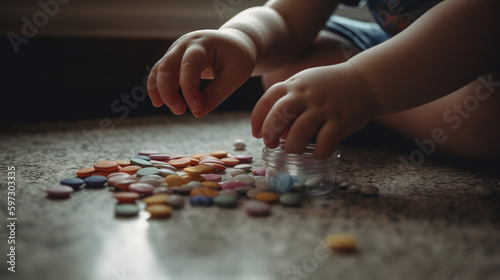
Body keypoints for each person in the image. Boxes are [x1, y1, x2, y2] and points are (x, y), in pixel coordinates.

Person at [147, 0, 500, 160]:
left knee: (485, 114)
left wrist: (363, 87)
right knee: (290, 71)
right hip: (393, 47)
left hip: (479, 65)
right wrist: (244, 39)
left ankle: (367, 104)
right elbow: (286, 19)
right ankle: (362, 104)